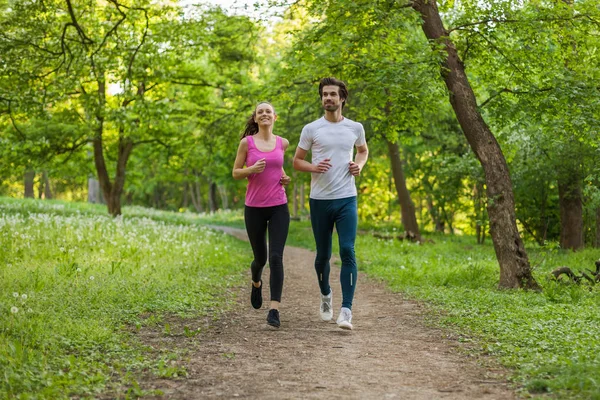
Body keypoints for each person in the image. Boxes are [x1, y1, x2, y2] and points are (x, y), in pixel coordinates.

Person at [292, 77, 368, 330]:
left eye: (333, 94)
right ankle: (326, 295)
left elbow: (363, 150)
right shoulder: (311, 129)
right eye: (324, 94)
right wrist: (313, 167)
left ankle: (346, 310)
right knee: (322, 254)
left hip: (347, 197)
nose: (328, 98)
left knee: (347, 249)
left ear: (342, 97)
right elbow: (296, 162)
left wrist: (359, 164)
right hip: (320, 200)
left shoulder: (355, 127)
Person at [232, 102, 291, 328]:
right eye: (260, 112)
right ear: (256, 118)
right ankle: (256, 281)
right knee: (261, 259)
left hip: (278, 206)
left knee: (276, 257)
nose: (264, 114)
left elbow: (277, 167)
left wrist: (285, 178)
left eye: (268, 111)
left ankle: (274, 310)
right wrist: (251, 170)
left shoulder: (282, 143)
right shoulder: (246, 144)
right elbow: (236, 172)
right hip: (254, 207)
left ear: (274, 117)